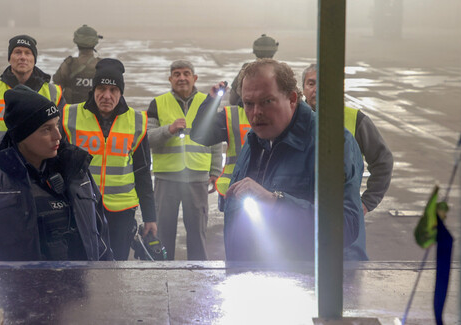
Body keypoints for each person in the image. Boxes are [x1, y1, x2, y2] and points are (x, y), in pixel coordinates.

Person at [224, 59, 367, 261]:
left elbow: (346, 226)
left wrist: (276, 202)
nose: (256, 113)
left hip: (316, 281)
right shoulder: (255, 141)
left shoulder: (331, 143)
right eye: (249, 103)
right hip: (259, 280)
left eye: (267, 101)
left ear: (292, 99)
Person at [0, 85, 112, 261]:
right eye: (46, 129)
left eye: (56, 125)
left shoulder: (76, 170)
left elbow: (102, 240)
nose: (58, 136)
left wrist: (105, 278)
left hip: (78, 285)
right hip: (16, 287)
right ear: (22, 136)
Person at [61, 58, 157, 260]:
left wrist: (150, 217)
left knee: (116, 266)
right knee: (82, 264)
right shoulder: (69, 115)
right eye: (102, 88)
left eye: (113, 90)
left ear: (121, 92)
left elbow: (142, 171)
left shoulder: (136, 121)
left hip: (121, 210)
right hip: (81, 205)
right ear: (93, 89)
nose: (106, 95)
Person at [147, 60, 223, 260]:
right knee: (163, 233)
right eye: (177, 74)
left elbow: (215, 141)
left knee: (198, 234)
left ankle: (198, 275)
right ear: (170, 79)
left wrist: (215, 171)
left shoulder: (205, 102)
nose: (182, 78)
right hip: (167, 178)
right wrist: (168, 130)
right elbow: (146, 138)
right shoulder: (158, 103)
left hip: (197, 178)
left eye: (186, 73)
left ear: (194, 78)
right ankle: (163, 275)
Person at [301, 63, 394, 215]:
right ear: (303, 89)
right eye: (311, 84)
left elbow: (383, 161)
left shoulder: (356, 120)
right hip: (296, 211)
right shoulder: (289, 119)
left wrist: (367, 203)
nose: (317, 90)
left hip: (340, 214)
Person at [0, 34, 66, 160]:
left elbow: (64, 134)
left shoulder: (54, 92)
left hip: (42, 166)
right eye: (17, 52)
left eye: (28, 53)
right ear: (9, 58)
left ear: (34, 59)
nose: (22, 57)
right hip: (3, 166)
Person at [191, 81, 250, 210]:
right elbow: (199, 135)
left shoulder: (281, 112)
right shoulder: (232, 115)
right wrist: (212, 101)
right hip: (235, 194)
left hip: (270, 193)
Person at [53, 24, 103, 104]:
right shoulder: (103, 65)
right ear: (95, 42)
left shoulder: (68, 64)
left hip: (71, 113)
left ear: (76, 42)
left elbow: (55, 91)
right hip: (96, 114)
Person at [228, 34, 279, 106]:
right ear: (274, 51)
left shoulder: (246, 70)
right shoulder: (281, 71)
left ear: (255, 51)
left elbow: (232, 100)